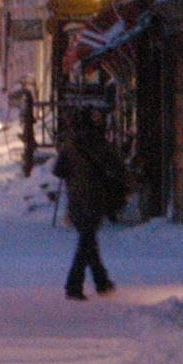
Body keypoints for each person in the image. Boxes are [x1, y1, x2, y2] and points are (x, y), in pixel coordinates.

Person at [53, 109, 125, 301]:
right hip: (96, 197)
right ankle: (74, 285)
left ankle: (101, 282)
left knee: (88, 239)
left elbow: (58, 170)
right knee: (87, 240)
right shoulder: (101, 144)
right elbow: (118, 168)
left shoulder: (70, 146)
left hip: (76, 198)